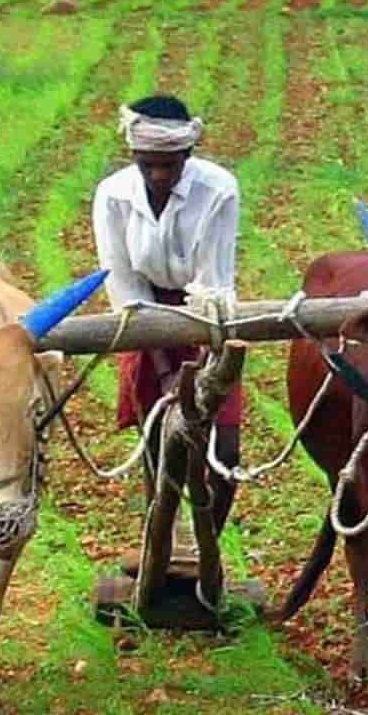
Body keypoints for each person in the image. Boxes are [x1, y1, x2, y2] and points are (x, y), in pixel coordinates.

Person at [92, 94, 242, 532]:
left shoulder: (218, 189)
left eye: (169, 164)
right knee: (159, 437)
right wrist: (163, 372)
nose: (158, 175)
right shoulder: (113, 196)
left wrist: (203, 373)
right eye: (148, 164)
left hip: (206, 317)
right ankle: (162, 537)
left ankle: (207, 543)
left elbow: (212, 281)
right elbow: (124, 284)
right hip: (144, 319)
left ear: (187, 155)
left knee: (225, 448)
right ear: (134, 156)